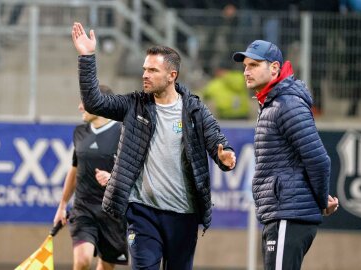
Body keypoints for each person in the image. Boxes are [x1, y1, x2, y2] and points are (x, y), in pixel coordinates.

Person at [71, 22, 237, 270]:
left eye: (152, 70)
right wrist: (87, 57)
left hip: (184, 214)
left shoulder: (194, 109)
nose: (145, 75)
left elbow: (216, 139)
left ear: (172, 76)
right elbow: (94, 102)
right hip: (142, 212)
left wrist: (224, 155)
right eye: (144, 69)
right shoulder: (133, 105)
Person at [232, 40, 339, 270]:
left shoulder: (287, 104)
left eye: (254, 65)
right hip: (282, 214)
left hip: (288, 215)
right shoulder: (273, 103)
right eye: (245, 66)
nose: (246, 71)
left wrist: (321, 201)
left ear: (274, 68)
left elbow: (319, 159)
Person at [53, 85, 128, 270]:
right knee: (82, 261)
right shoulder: (80, 132)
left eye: (84, 102)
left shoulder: (123, 133)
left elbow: (135, 171)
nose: (80, 107)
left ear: (100, 104)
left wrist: (113, 177)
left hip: (114, 212)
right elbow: (74, 170)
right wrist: (62, 205)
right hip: (83, 209)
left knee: (106, 266)